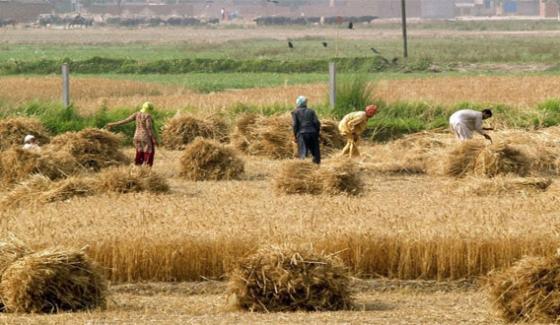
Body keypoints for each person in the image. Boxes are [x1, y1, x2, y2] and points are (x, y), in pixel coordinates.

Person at [106, 102, 158, 167]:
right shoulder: (147, 116)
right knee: (148, 153)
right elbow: (149, 128)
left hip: (136, 137)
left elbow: (126, 120)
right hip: (145, 137)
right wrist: (154, 139)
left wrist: (113, 124)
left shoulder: (137, 114)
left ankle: (137, 168)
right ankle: (146, 170)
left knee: (139, 153)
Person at [292, 96, 321, 164]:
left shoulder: (295, 112)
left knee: (303, 153)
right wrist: (317, 133)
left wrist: (295, 135)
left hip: (302, 134)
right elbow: (317, 123)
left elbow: (295, 125)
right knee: (315, 153)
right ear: (305, 103)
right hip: (313, 133)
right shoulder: (311, 111)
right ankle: (317, 167)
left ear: (298, 103)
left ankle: (303, 168)